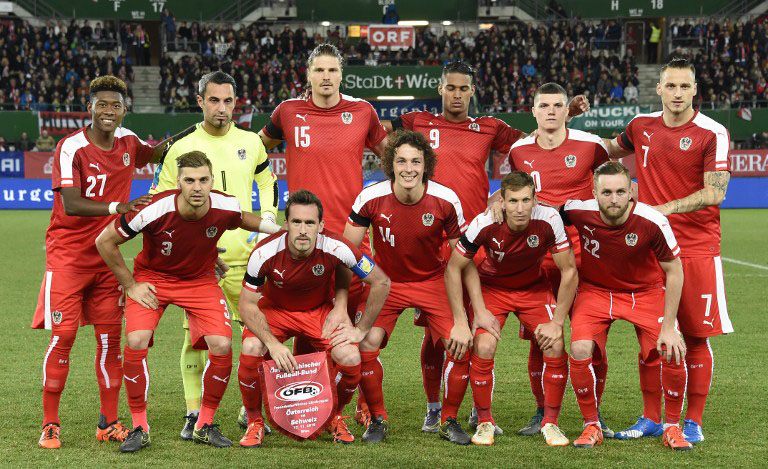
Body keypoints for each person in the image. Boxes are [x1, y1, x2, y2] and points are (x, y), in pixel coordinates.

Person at [383, 64, 589, 435]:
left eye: (464, 88)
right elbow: (379, 136)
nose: (457, 95)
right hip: (427, 241)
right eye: (451, 88)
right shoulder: (417, 121)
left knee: (458, 331)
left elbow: (533, 141)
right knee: (435, 333)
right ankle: (434, 407)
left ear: (473, 90)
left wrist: (567, 113)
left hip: (471, 242)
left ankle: (474, 410)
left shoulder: (489, 127)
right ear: (440, 88)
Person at [94, 151, 280, 453]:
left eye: (203, 180)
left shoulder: (224, 203)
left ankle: (204, 424)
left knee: (221, 344)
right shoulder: (155, 207)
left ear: (211, 181)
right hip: (154, 277)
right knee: (137, 339)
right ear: (178, 181)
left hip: (199, 280)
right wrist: (130, 285)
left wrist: (282, 230)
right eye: (190, 180)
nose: (197, 187)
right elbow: (104, 241)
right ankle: (140, 426)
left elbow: (243, 218)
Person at [32, 75, 177, 449]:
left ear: (124, 109)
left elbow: (157, 153)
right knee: (63, 337)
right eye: (102, 104)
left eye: (115, 105)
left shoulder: (129, 141)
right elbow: (71, 203)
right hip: (67, 258)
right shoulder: (71, 147)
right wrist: (118, 207)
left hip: (107, 259)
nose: (108, 111)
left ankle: (108, 423)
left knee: (111, 342)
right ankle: (50, 424)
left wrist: (199, 127)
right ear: (91, 107)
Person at [258, 43, 388, 426]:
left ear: (341, 74)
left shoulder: (363, 112)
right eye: (320, 71)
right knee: (301, 318)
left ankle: (364, 404)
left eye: (333, 70)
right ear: (309, 74)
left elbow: (393, 157)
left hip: (350, 235)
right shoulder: (288, 111)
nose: (326, 77)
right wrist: (268, 204)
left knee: (347, 324)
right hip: (301, 236)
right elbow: (253, 152)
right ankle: (291, 402)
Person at [604, 58, 732, 443]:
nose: (677, 94)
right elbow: (608, 150)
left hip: (695, 247)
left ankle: (692, 421)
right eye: (670, 86)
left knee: (694, 336)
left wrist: (665, 209)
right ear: (657, 89)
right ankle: (650, 417)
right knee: (651, 338)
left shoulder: (712, 132)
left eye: (684, 87)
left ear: (695, 91)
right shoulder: (641, 127)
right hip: (649, 248)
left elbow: (717, 191)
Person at [151, 70, 279, 439]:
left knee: (260, 338)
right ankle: (194, 414)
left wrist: (268, 218)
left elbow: (267, 181)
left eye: (227, 101)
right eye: (213, 100)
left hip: (247, 259)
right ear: (200, 101)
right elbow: (164, 203)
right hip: (199, 266)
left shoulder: (252, 142)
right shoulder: (181, 146)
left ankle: (249, 410)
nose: (221, 108)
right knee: (197, 340)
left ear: (235, 103)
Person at [499, 82, 614, 437]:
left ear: (568, 110)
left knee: (589, 337)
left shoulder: (591, 145)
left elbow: (612, 187)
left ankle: (593, 414)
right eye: (544, 105)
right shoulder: (519, 151)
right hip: (537, 257)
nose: (551, 111)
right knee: (541, 337)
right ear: (533, 111)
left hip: (584, 256)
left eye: (557, 105)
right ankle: (541, 410)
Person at [344, 130, 472, 445]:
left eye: (416, 161)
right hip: (386, 283)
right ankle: (377, 418)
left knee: (460, 345)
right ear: (391, 163)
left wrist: (466, 317)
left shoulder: (446, 199)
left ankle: (448, 419)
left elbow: (462, 259)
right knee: (365, 343)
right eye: (401, 160)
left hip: (432, 282)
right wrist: (370, 274)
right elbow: (346, 252)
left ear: (426, 164)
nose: (409, 168)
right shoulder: (370, 197)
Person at [237, 190, 391, 446]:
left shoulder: (336, 245)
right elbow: (247, 305)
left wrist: (361, 330)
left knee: (351, 357)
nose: (303, 230)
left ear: (321, 225)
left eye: (310, 223)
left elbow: (381, 281)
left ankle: (334, 415)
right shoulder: (264, 253)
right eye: (296, 222)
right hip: (275, 311)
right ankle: (255, 421)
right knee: (251, 347)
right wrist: (274, 345)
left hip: (318, 312)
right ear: (285, 224)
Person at [563, 161, 691, 451]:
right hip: (596, 292)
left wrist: (669, 327)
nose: (614, 199)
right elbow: (545, 210)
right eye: (606, 192)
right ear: (594, 193)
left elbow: (674, 271)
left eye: (621, 191)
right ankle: (591, 425)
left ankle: (671, 427)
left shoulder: (652, 221)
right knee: (580, 348)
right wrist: (497, 202)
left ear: (631, 192)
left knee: (671, 348)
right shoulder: (578, 211)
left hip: (644, 293)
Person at [445, 171, 577, 447]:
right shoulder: (484, 222)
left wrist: (558, 321)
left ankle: (550, 423)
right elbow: (454, 268)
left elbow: (569, 271)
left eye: (526, 200)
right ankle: (484, 422)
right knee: (483, 346)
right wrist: (472, 313)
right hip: (492, 288)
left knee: (555, 344)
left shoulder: (549, 219)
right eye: (513, 201)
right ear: (501, 201)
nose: (520, 208)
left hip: (534, 289)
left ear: (535, 200)